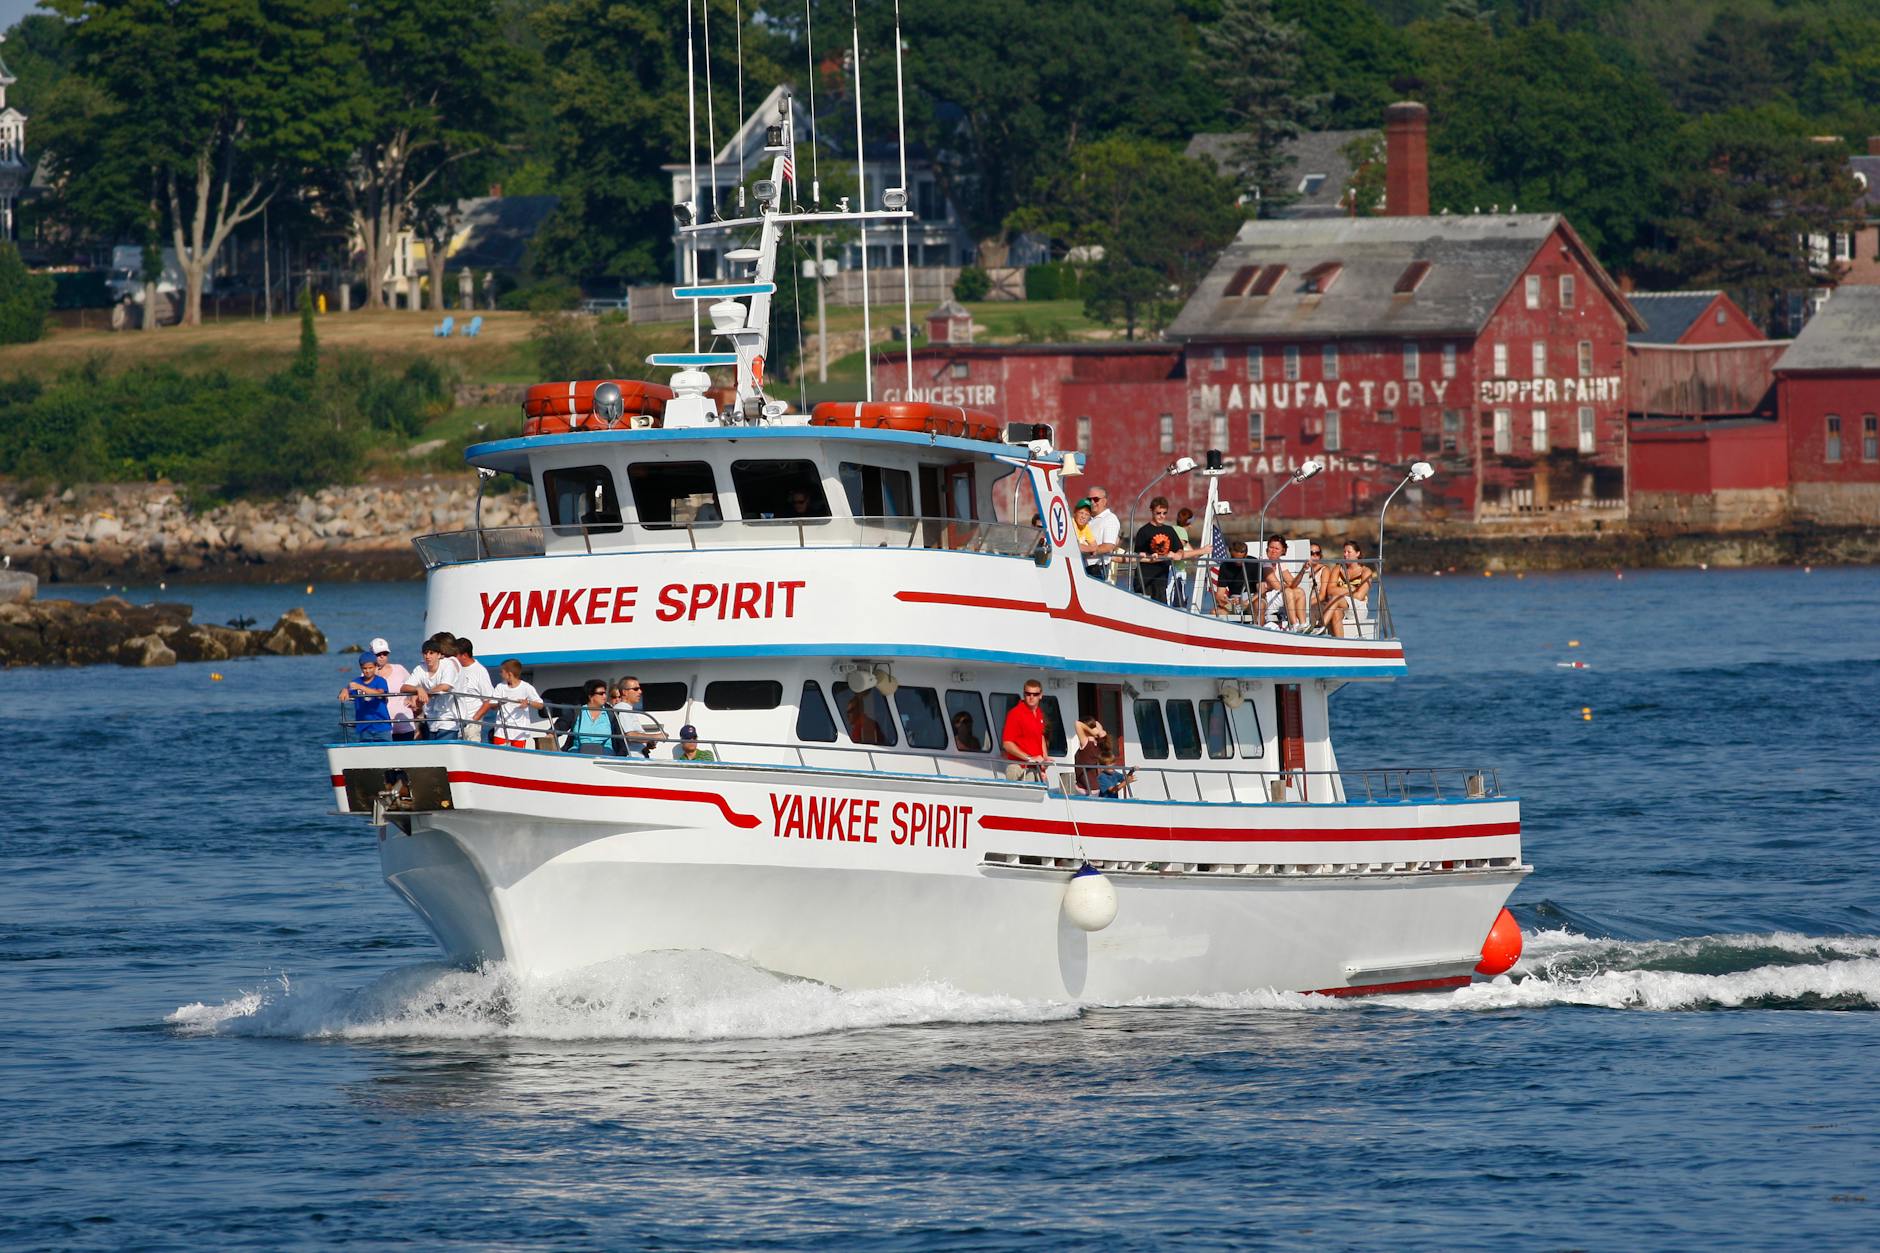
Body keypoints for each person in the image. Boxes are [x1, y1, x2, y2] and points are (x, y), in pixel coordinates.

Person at [1132, 497, 1190, 603]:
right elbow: (1138, 554)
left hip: (1161, 578)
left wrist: (1177, 554)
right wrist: (1150, 557)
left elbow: (1179, 549)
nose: (1161, 516)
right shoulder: (1143, 531)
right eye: (1158, 513)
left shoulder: (1169, 530)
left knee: (1161, 606)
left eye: (1164, 513)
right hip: (1144, 577)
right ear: (1152, 511)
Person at [476, 659, 544, 748]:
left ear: (509, 674)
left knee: (518, 756)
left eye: (502, 672)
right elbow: (492, 705)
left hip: (519, 731)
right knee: (499, 753)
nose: (500, 674)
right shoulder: (500, 687)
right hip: (501, 730)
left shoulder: (526, 687)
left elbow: (540, 705)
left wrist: (528, 702)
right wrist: (500, 703)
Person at [402, 635, 459, 738]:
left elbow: (445, 686)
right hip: (431, 719)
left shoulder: (448, 665)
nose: (427, 656)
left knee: (444, 750)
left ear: (439, 655)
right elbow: (404, 687)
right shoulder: (420, 668)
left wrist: (425, 694)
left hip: (449, 718)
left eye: (431, 653)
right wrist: (418, 689)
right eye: (425, 653)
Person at [1000, 680, 1051, 782]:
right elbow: (1007, 744)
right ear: (1024, 694)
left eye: (1035, 694)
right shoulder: (1015, 714)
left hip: (1036, 769)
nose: (1031, 697)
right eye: (1028, 694)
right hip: (1019, 769)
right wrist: (1030, 758)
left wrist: (1044, 759)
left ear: (1040, 695)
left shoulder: (1039, 713)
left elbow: (1040, 736)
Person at [559, 680, 626, 754]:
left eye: (605, 693)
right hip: (578, 752)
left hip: (605, 753)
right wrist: (551, 734)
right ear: (590, 696)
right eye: (601, 693)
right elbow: (562, 723)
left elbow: (620, 740)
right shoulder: (577, 711)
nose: (605, 696)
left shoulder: (611, 713)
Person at [369, 637, 416, 741]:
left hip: (404, 725)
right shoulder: (367, 674)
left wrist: (412, 699)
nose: (382, 657)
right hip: (382, 728)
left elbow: (414, 684)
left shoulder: (399, 669)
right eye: (378, 654)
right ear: (371, 654)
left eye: (385, 653)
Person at [340, 654, 392, 741]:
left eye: (370, 668)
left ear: (375, 666)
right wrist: (344, 690)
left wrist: (361, 687)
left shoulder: (380, 681)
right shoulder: (355, 682)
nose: (367, 671)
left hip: (382, 726)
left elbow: (380, 693)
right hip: (364, 727)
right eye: (365, 668)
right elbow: (345, 691)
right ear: (361, 668)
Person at [452, 636, 495, 740]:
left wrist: (473, 720)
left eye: (455, 655)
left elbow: (489, 700)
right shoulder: (454, 668)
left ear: (464, 655)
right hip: (455, 723)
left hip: (471, 725)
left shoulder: (479, 671)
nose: (453, 658)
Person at [1261, 535, 1308, 629]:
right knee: (1288, 591)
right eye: (1271, 547)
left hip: (1278, 597)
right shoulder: (1265, 562)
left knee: (1299, 591)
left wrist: (1303, 570)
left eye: (1277, 548)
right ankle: (1294, 624)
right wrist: (1287, 586)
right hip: (1267, 599)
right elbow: (1276, 585)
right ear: (1267, 549)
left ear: (1282, 551)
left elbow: (1292, 584)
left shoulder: (1280, 563)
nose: (1273, 551)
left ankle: (1303, 624)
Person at [611, 675, 664, 756]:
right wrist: (656, 736)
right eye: (636, 689)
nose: (640, 691)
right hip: (633, 758)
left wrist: (648, 742)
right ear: (625, 692)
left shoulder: (627, 709)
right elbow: (630, 736)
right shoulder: (622, 708)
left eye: (639, 688)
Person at [1082, 487, 1120, 582]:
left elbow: (1108, 546)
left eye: (1095, 499)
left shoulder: (1110, 519)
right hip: (1083, 567)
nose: (1092, 502)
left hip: (1097, 569)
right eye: (1089, 499)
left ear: (1104, 501)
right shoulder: (1088, 519)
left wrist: (1085, 550)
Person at [1213, 540, 1255, 616]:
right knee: (1215, 613)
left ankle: (1257, 627)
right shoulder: (1225, 566)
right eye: (1235, 558)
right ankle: (1234, 613)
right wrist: (1229, 604)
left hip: (1251, 600)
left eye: (1241, 559)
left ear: (1246, 555)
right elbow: (1220, 595)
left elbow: (1262, 590)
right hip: (1233, 602)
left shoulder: (1254, 563)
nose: (1238, 562)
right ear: (1231, 554)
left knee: (1258, 605)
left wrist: (1247, 602)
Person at [1073, 716, 1108, 793]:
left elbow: (1077, 724)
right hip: (1094, 787)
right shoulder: (1098, 744)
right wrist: (1097, 731)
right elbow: (1098, 726)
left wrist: (1091, 731)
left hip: (1085, 789)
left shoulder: (1087, 743)